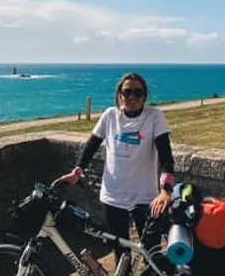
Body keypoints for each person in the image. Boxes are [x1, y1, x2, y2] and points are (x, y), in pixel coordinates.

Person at [56, 71, 176, 263]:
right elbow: (91, 146)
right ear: (120, 94)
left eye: (138, 92)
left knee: (152, 253)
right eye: (127, 92)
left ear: (144, 96)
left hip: (145, 198)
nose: (132, 97)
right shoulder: (110, 116)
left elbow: (166, 157)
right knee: (120, 252)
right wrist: (77, 171)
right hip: (113, 196)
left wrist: (165, 191)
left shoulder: (154, 117)